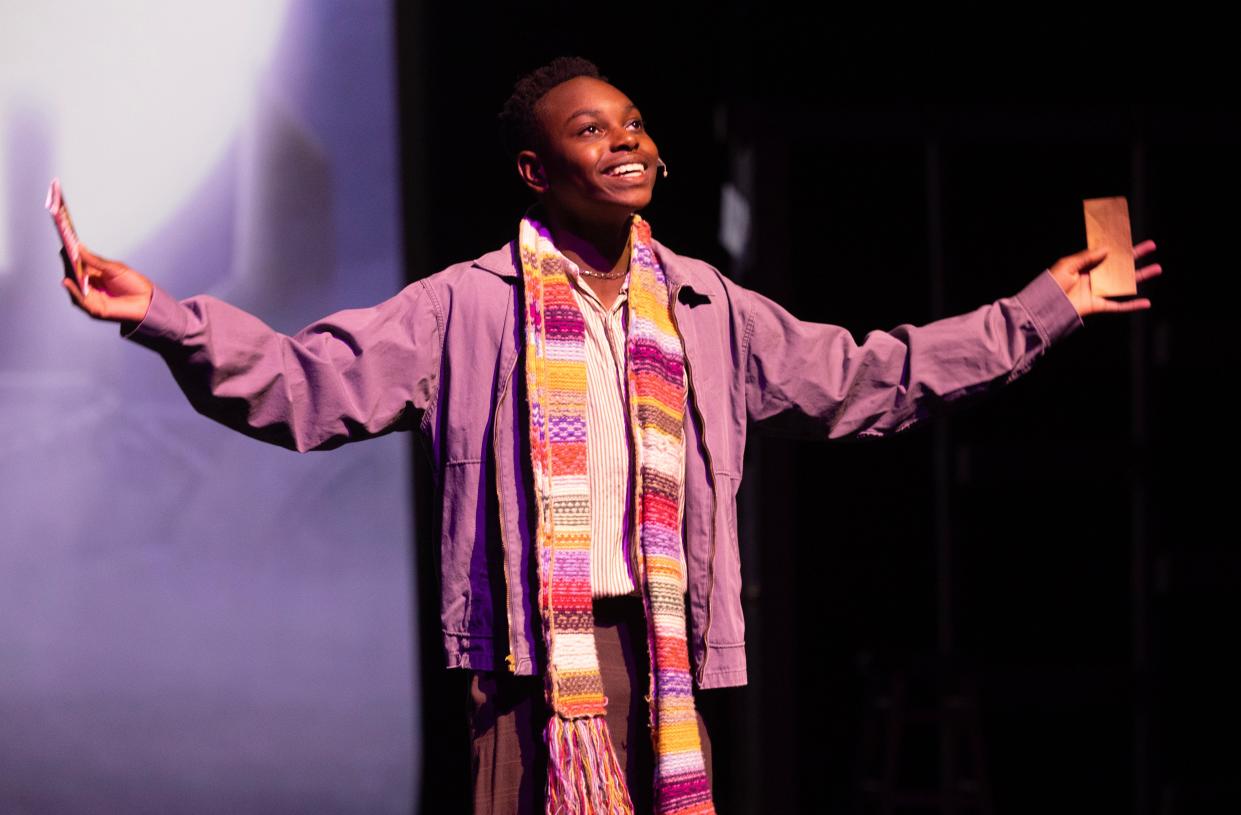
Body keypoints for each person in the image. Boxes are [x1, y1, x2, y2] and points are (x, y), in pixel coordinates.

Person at [61, 56, 1160, 815]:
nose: (625, 140)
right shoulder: (468, 303)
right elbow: (308, 385)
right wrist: (161, 313)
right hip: (535, 663)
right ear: (537, 171)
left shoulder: (703, 306)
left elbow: (871, 376)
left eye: (631, 122)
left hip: (665, 656)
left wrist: (1040, 309)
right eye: (591, 129)